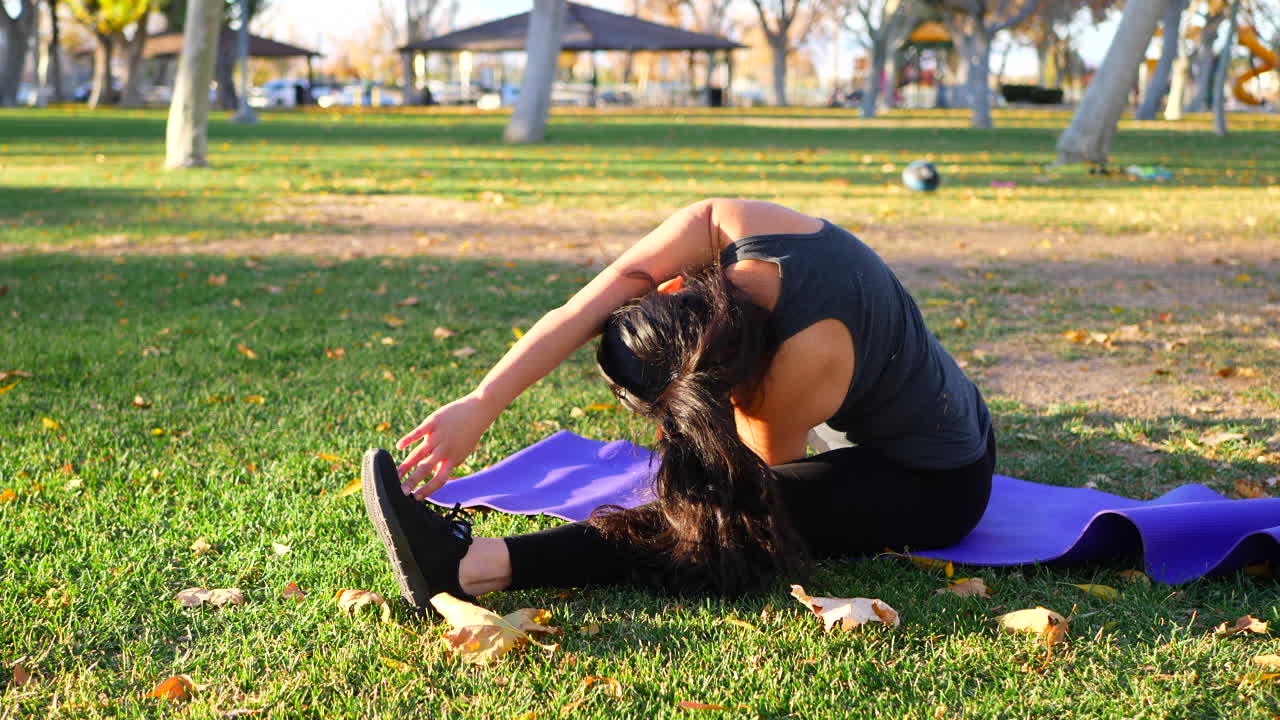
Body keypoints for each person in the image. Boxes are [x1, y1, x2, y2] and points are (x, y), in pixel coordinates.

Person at [361, 198, 995, 611]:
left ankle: (470, 567)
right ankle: (468, 564)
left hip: (937, 479)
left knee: (718, 519)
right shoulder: (729, 224)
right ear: (666, 288)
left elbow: (757, 485)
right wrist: (480, 401)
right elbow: (581, 309)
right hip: (908, 406)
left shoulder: (799, 370)